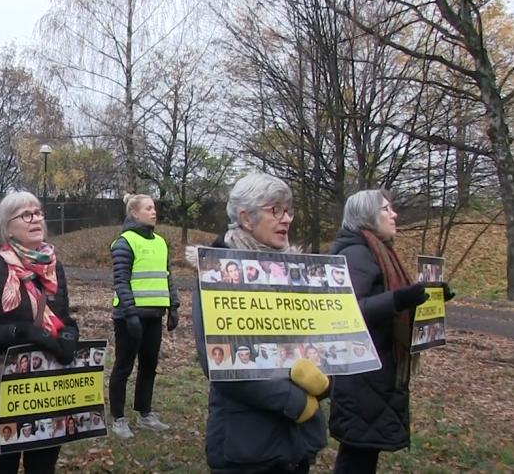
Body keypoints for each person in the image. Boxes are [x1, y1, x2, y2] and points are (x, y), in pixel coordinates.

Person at [188, 172, 329, 473]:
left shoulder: (296, 272)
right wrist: (295, 402)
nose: (287, 218)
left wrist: (328, 376)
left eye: (288, 210)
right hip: (248, 444)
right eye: (275, 210)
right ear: (246, 218)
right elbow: (219, 362)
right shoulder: (217, 273)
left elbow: (321, 341)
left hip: (298, 442)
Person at [328, 190, 454, 473]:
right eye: (386, 209)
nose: (394, 214)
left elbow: (390, 303)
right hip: (361, 375)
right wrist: (401, 299)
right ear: (368, 216)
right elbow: (348, 311)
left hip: (376, 373)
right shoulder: (356, 253)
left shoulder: (378, 250)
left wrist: (430, 298)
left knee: (363, 454)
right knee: (356, 456)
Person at [0, 191, 79, 474]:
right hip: (2, 393)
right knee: (2, 468)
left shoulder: (53, 267)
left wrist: (69, 337)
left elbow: (63, 316)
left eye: (38, 212)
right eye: (26, 215)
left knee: (43, 467)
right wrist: (23, 332)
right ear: (6, 226)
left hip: (48, 390)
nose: (36, 219)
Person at [109, 194, 181, 439]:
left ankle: (145, 413)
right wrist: (130, 314)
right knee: (123, 367)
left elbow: (167, 275)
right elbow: (121, 281)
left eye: (154, 208)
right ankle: (118, 418)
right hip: (129, 316)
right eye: (148, 208)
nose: (154, 212)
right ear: (134, 213)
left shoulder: (161, 242)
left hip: (154, 316)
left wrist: (174, 306)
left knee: (149, 366)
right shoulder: (124, 242)